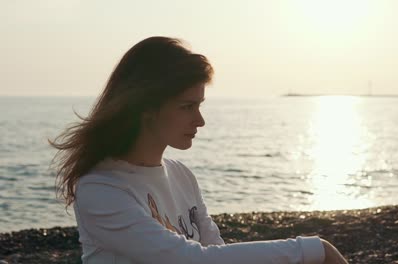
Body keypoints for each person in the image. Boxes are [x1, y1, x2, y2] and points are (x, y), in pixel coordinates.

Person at [50, 36, 348, 263]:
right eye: (187, 107)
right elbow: (191, 259)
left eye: (199, 105)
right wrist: (312, 248)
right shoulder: (101, 188)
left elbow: (214, 254)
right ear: (145, 108)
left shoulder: (181, 175)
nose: (200, 120)